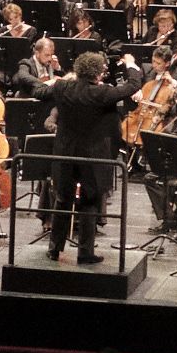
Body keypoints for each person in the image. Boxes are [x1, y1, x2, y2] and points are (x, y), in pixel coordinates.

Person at [38, 48, 140, 264]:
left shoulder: (62, 87)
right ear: (98, 73)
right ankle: (85, 252)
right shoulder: (101, 93)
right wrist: (130, 64)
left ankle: (54, 249)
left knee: (62, 199)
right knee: (89, 201)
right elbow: (132, 86)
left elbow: (39, 92)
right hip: (92, 156)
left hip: (65, 153)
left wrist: (61, 80)